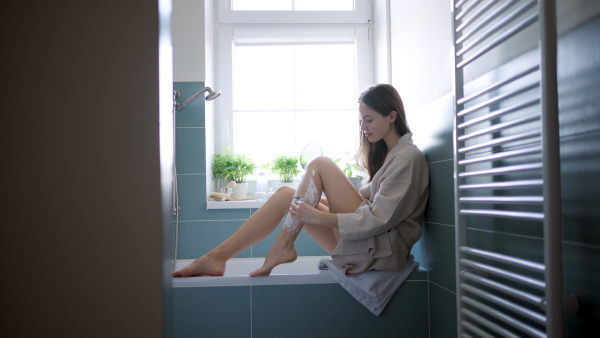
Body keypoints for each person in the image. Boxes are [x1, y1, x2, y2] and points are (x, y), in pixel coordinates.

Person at [172, 84, 429, 278]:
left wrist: (318, 216)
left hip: (380, 251)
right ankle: (217, 257)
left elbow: (378, 220)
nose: (363, 126)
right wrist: (313, 204)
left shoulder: (408, 158)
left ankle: (283, 245)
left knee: (321, 163)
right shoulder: (390, 156)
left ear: (392, 116)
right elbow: (372, 208)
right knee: (287, 194)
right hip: (367, 245)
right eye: (360, 120)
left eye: (369, 119)